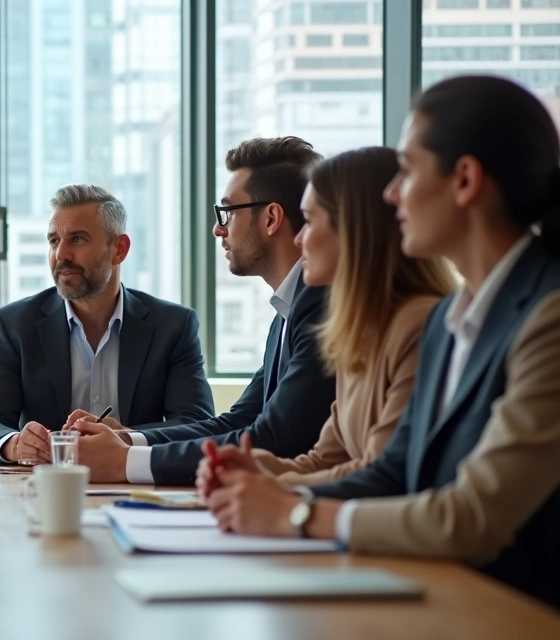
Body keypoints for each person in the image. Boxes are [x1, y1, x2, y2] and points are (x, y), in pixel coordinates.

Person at [200, 75, 560, 609]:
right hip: (440, 596)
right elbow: (395, 472)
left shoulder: (547, 317)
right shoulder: (447, 322)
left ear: (464, 180)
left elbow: (471, 517)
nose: (393, 194)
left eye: (409, 171)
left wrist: (293, 512)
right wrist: (272, 490)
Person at [68, 138, 335, 484]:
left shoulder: (318, 304)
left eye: (227, 212)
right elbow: (239, 422)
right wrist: (128, 440)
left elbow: (277, 439)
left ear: (271, 218)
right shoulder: (288, 308)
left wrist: (125, 462)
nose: (218, 229)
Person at [0, 184, 215, 464]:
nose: (61, 255)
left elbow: (197, 424)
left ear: (119, 249)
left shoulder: (173, 326)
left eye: (78, 239)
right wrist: (14, 444)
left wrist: (127, 438)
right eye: (54, 241)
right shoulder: (15, 324)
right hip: (41, 491)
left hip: (134, 488)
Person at [246, 147, 456, 485]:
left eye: (310, 221)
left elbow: (380, 471)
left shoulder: (417, 325)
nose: (299, 238)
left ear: (356, 231)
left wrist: (273, 486)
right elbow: (324, 459)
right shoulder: (359, 330)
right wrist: (260, 468)